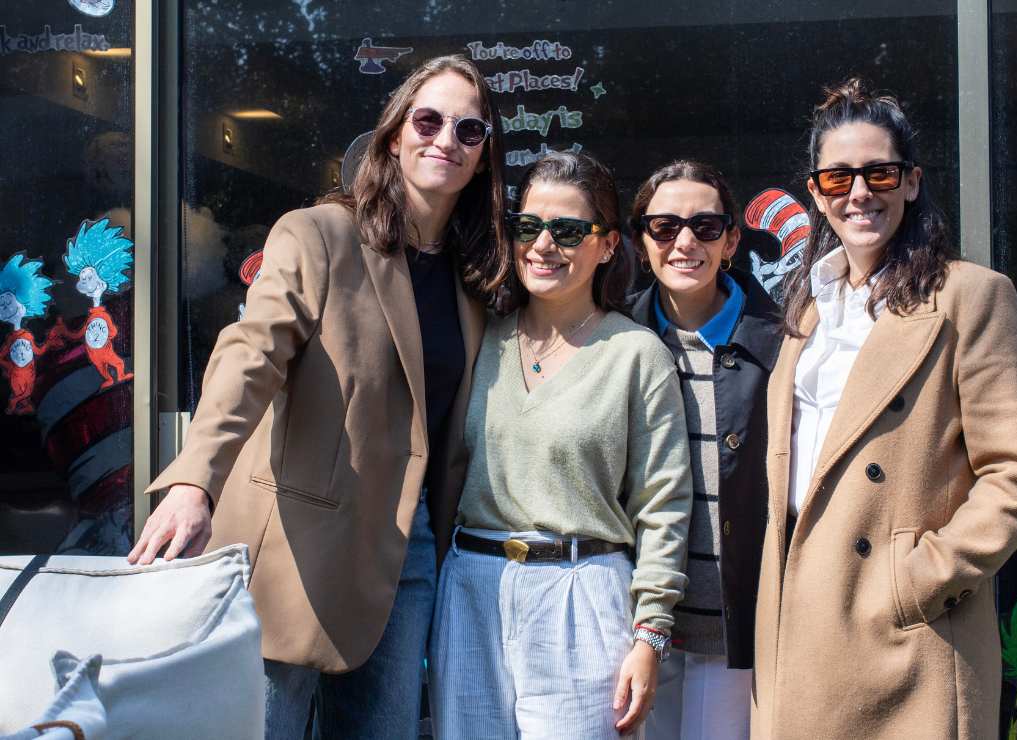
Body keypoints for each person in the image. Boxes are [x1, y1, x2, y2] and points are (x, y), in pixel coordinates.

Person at [127, 54, 507, 739]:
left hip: (407, 553)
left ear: (482, 156)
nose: (445, 139)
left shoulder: (473, 279)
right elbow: (251, 354)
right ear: (396, 135)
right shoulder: (321, 233)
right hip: (297, 546)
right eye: (428, 120)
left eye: (469, 129)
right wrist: (194, 480)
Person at [751, 79, 1017, 739]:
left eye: (878, 173)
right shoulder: (808, 305)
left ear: (911, 182)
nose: (859, 193)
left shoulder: (970, 297)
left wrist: (915, 581)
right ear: (816, 192)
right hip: (799, 613)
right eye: (837, 178)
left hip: (901, 636)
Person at [429, 151, 692, 739]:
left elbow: (664, 504)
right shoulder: (480, 338)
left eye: (568, 230)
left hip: (584, 593)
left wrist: (650, 634)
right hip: (472, 590)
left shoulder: (638, 355)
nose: (543, 244)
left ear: (607, 246)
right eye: (528, 226)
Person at [627, 160, 782, 740]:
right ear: (641, 243)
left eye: (706, 227)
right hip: (632, 623)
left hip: (732, 626)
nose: (684, 241)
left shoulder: (783, 342)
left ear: (733, 241)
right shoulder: (613, 338)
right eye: (664, 227)